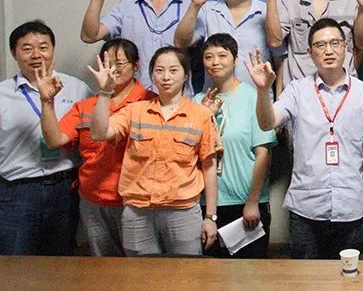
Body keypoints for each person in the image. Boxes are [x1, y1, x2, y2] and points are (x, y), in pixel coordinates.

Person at [251, 18, 363, 259]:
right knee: (305, 277)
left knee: (349, 276)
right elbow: (267, 122)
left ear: (346, 47)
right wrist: (262, 91)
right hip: (306, 208)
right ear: (310, 53)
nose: (328, 50)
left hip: (352, 207)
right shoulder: (297, 90)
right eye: (320, 45)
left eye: (335, 43)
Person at [90, 46, 221, 256]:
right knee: (139, 274)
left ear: (185, 75)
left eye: (173, 70)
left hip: (183, 212)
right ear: (152, 75)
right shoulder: (135, 111)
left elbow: (209, 167)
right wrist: (105, 92)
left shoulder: (201, 115)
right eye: (159, 70)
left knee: (186, 273)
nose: (166, 77)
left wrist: (210, 217)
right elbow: (99, 133)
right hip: (138, 211)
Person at [38, 38, 154, 256]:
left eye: (120, 63)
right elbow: (54, 140)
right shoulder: (86, 106)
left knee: (139, 267)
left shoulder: (151, 102)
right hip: (93, 200)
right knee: (101, 267)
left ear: (136, 65)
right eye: (108, 63)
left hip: (136, 203)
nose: (113, 70)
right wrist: (46, 102)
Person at [0, 20, 92, 256]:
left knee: (62, 261)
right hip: (18, 191)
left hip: (66, 189)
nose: (36, 55)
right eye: (27, 48)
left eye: (43, 47)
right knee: (16, 261)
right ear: (14, 53)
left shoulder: (77, 89)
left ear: (52, 50)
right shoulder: (2, 95)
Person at [194, 34, 276, 258]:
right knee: (210, 273)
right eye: (208, 57)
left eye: (222, 55)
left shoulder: (253, 96)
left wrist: (253, 201)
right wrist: (204, 115)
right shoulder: (197, 101)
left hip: (246, 204)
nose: (215, 62)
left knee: (249, 272)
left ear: (235, 59)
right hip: (207, 205)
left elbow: (263, 154)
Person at [80, 0, 189, 91]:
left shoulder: (191, 8)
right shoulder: (126, 8)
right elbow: (89, 36)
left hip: (177, 96)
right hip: (134, 97)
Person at [174, 0, 281, 93]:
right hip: (214, 98)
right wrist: (195, 5)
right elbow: (180, 42)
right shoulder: (208, 10)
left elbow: (276, 43)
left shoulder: (267, 10)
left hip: (257, 99)